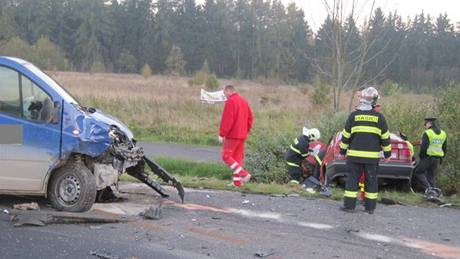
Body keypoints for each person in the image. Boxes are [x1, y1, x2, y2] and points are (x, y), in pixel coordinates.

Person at [339, 86, 391, 214]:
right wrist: (387, 154)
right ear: (374, 101)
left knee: (352, 181)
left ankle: (349, 207)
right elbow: (385, 138)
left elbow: (346, 136)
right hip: (372, 158)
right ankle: (370, 208)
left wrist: (342, 151)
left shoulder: (353, 116)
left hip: (354, 157)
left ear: (362, 99)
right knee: (371, 181)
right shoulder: (380, 118)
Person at [219, 85, 254, 187]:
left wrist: (222, 133)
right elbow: (250, 118)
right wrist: (246, 130)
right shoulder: (244, 101)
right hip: (242, 135)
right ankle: (237, 182)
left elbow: (227, 119)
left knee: (226, 156)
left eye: (224, 92)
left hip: (232, 135)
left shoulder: (230, 101)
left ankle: (244, 174)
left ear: (228, 90)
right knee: (237, 158)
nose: (224, 95)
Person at [413, 118, 447, 196]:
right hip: (437, 158)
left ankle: (429, 189)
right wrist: (442, 158)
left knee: (418, 172)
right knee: (431, 176)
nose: (425, 126)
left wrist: (421, 157)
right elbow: (444, 148)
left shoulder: (427, 133)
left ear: (429, 124)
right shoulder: (443, 133)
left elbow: (424, 147)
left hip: (427, 157)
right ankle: (434, 194)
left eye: (425, 124)